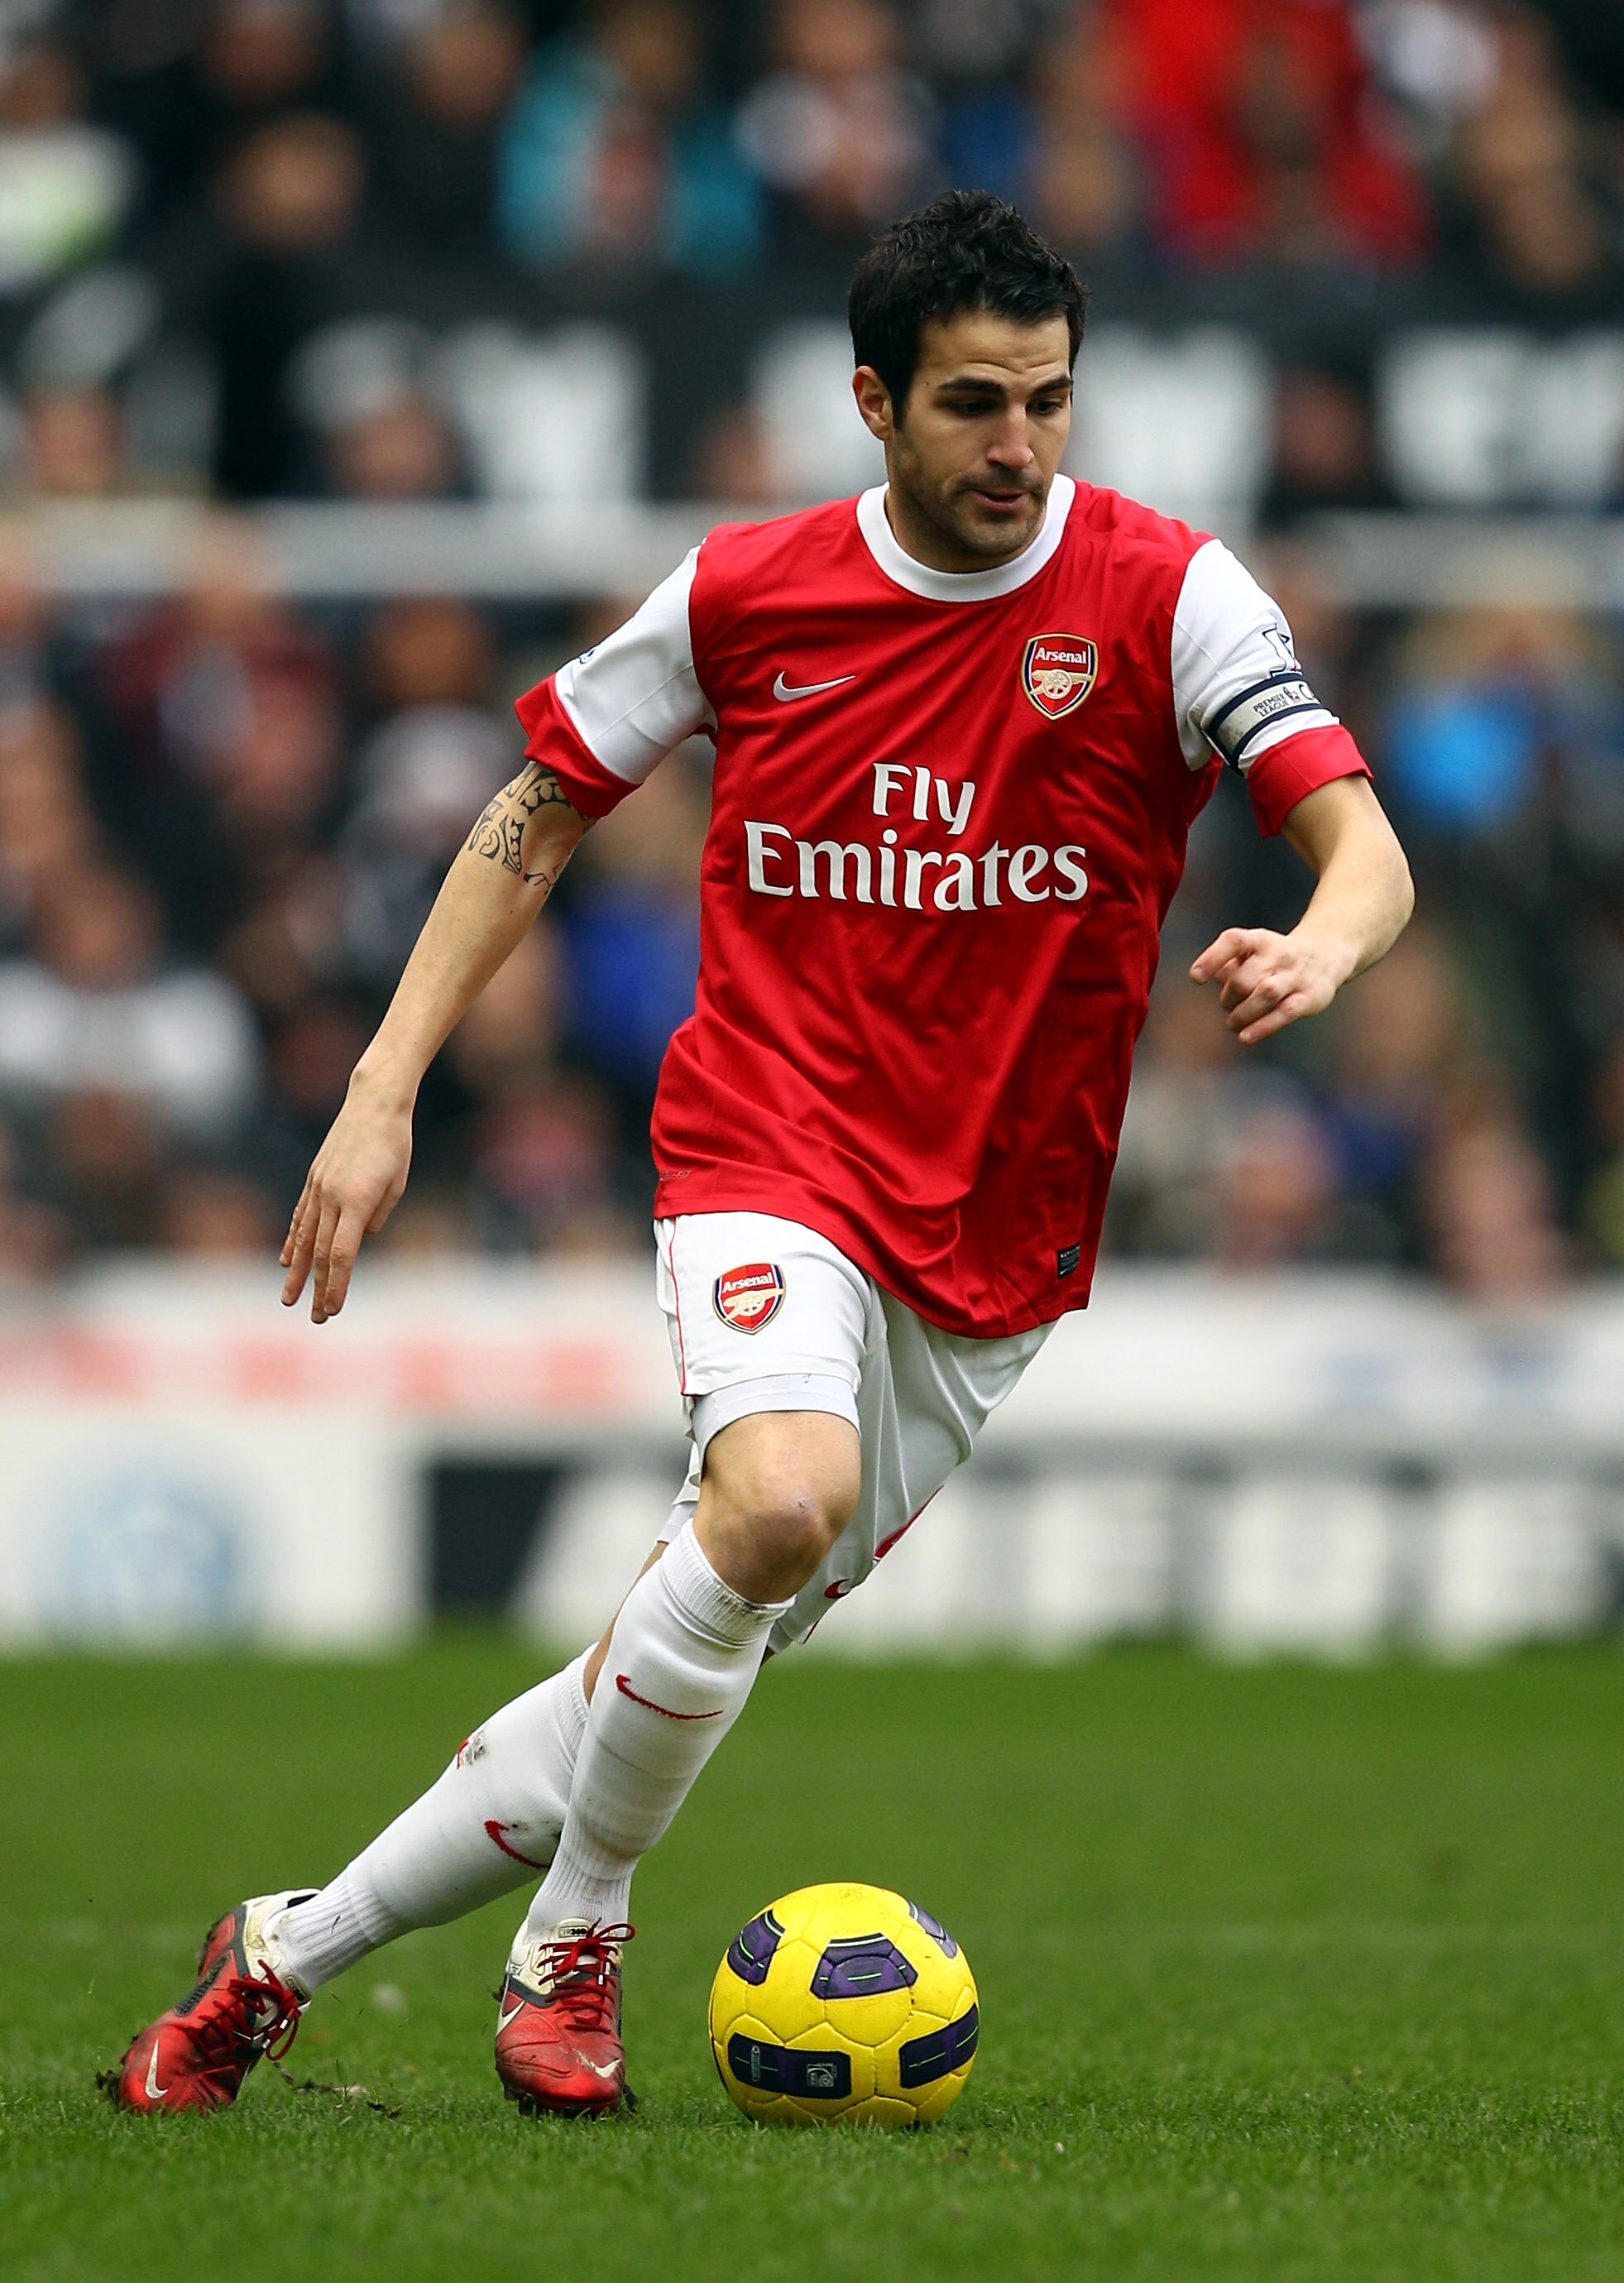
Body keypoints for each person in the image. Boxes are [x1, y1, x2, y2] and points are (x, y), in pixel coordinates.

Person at [104, 189, 1412, 2118]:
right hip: (767, 1143)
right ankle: (577, 1942)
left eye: (1050, 402)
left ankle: (277, 1954)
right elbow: (534, 810)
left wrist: (1324, 938)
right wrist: (381, 1091)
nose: (1021, 448)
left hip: (996, 1246)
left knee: (679, 1634)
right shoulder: (742, 595)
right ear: (871, 403)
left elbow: (1363, 838)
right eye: (974, 405)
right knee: (776, 1501)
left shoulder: (1166, 595)